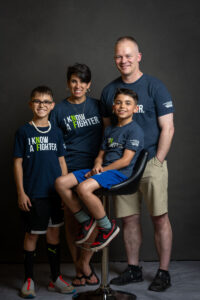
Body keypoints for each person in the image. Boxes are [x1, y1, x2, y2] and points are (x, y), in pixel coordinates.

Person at [100, 36, 175, 292]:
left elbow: (168, 127)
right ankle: (133, 269)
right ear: (114, 59)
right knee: (129, 219)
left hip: (151, 160)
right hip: (122, 165)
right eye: (119, 56)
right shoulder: (109, 91)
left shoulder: (155, 86)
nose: (124, 60)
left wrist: (158, 160)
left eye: (129, 55)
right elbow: (107, 132)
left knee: (159, 218)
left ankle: (163, 272)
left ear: (139, 56)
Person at [55, 88, 144, 252]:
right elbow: (100, 154)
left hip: (119, 173)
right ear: (113, 107)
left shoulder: (135, 130)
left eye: (127, 103)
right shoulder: (110, 129)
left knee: (83, 188)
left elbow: (125, 160)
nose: (122, 106)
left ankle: (106, 227)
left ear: (135, 108)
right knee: (61, 183)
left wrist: (102, 170)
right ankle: (86, 221)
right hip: (103, 170)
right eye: (118, 102)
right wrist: (97, 164)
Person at [13, 86, 75, 298]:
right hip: (33, 193)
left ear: (52, 106)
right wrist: (21, 192)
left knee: (54, 234)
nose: (42, 105)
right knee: (31, 235)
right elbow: (18, 164)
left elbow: (61, 162)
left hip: (54, 193)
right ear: (31, 104)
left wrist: (65, 192)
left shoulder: (57, 132)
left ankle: (55, 278)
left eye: (46, 102)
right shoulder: (24, 131)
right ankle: (28, 279)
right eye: (37, 101)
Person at [50, 63, 102, 286]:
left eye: (82, 81)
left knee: (95, 220)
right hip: (69, 170)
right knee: (72, 222)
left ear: (89, 85)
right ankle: (80, 270)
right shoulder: (59, 110)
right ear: (68, 83)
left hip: (95, 170)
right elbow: (54, 147)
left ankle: (84, 264)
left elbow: (110, 134)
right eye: (73, 81)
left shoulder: (99, 106)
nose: (77, 85)